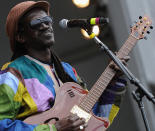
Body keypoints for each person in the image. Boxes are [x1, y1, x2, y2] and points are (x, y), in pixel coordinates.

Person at [0, 1, 128, 131]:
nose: (45, 25)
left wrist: (115, 80)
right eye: (36, 23)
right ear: (21, 36)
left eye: (47, 20)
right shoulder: (13, 73)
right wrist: (54, 128)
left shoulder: (67, 70)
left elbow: (97, 117)